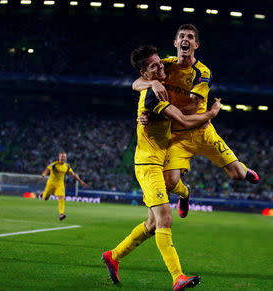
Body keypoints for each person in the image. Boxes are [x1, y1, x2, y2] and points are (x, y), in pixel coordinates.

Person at [102, 45, 222, 291]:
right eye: (154, 67)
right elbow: (185, 120)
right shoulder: (154, 95)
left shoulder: (157, 85)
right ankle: (178, 276)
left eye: (160, 63)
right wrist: (211, 113)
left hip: (161, 159)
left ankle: (113, 256)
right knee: (165, 218)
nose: (161, 67)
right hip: (148, 165)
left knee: (152, 224)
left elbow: (136, 83)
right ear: (146, 73)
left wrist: (150, 83)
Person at [132, 24, 260, 218]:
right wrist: (153, 82)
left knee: (236, 175)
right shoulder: (164, 65)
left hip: (201, 130)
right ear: (175, 43)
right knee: (170, 183)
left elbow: (192, 107)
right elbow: (136, 83)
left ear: (196, 45)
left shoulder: (202, 72)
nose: (186, 39)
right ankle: (185, 193)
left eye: (190, 37)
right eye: (181, 36)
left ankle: (243, 169)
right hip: (176, 137)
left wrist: (161, 113)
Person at [40, 151, 88, 220]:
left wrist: (80, 181)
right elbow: (47, 170)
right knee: (45, 198)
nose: (63, 158)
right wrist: (43, 175)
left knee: (61, 197)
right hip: (51, 184)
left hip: (60, 184)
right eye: (62, 156)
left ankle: (61, 214)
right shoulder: (54, 164)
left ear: (66, 158)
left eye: (64, 157)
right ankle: (43, 194)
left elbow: (73, 174)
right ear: (59, 157)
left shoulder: (67, 166)